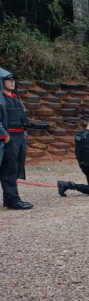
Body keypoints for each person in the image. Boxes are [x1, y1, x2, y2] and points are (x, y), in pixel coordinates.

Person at [0, 67, 33, 209]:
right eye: (9, 79)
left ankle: (9, 198)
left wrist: (24, 133)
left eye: (13, 80)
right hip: (8, 139)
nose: (12, 82)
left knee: (16, 167)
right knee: (9, 169)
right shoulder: (1, 99)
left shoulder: (16, 98)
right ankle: (13, 200)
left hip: (19, 137)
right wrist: (4, 135)